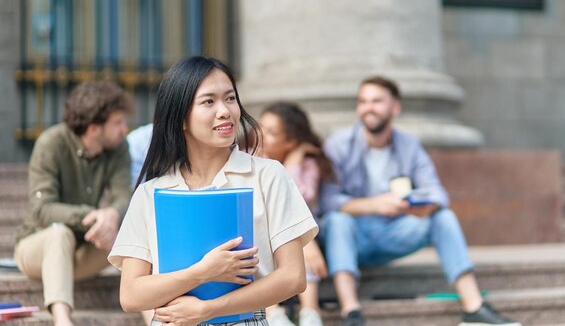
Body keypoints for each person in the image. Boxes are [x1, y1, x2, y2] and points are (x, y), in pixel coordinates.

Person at [108, 56, 318, 326]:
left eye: (230, 98)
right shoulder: (151, 192)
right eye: (209, 102)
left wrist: (208, 310)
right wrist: (202, 273)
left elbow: (293, 277)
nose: (225, 111)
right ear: (180, 117)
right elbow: (131, 295)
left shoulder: (268, 175)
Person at [320, 76, 521, 326]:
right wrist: (374, 204)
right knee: (338, 220)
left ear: (395, 108)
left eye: (376, 101)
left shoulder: (409, 145)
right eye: (363, 101)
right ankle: (351, 312)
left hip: (394, 231)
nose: (368, 107)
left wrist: (415, 205)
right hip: (351, 235)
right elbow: (325, 200)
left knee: (443, 217)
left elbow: (437, 194)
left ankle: (473, 307)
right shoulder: (338, 145)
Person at [14, 81, 134, 326]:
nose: (125, 129)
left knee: (132, 238)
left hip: (84, 250)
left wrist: (111, 214)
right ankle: (62, 321)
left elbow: (123, 197)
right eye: (118, 123)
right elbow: (42, 209)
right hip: (36, 246)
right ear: (93, 129)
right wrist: (92, 216)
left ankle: (156, 315)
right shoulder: (51, 143)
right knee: (60, 235)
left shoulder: (119, 148)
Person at [259, 102, 333, 326]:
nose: (262, 135)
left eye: (271, 133)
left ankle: (310, 312)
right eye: (260, 127)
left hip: (299, 234)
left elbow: (297, 201)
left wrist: (293, 162)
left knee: (300, 244)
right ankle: (273, 313)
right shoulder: (252, 160)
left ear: (290, 142)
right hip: (263, 234)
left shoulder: (308, 166)